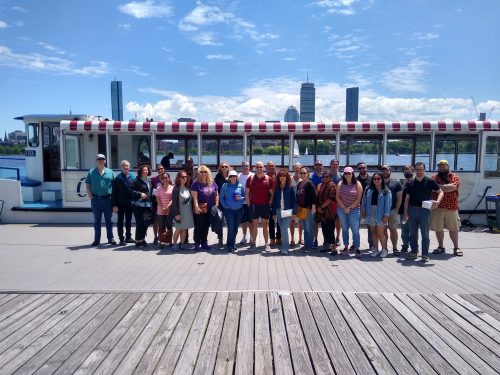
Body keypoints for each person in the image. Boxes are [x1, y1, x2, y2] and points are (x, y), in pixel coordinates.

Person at [403, 162, 444, 262]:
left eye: (421, 169)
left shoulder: (430, 181)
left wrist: (438, 201)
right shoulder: (410, 183)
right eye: (417, 169)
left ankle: (425, 254)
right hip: (412, 210)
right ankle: (414, 252)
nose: (419, 171)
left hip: (425, 211)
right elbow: (407, 199)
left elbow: (441, 192)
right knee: (413, 233)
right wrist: (405, 212)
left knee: (425, 233)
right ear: (414, 171)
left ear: (424, 170)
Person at [431, 160, 463, 256]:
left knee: (453, 228)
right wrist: (447, 187)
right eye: (440, 166)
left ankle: (456, 247)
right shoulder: (434, 177)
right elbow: (432, 188)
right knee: (438, 228)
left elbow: (454, 187)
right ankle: (441, 247)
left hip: (452, 206)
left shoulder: (455, 176)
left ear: (448, 166)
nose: (441, 168)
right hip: (438, 206)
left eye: (443, 166)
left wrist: (439, 187)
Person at [86, 154, 116, 246]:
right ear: (96, 161)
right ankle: (97, 240)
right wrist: (91, 196)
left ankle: (110, 238)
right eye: (99, 159)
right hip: (96, 200)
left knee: (109, 221)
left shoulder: (110, 172)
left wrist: (113, 200)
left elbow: (114, 186)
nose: (101, 160)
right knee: (97, 221)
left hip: (107, 200)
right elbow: (88, 184)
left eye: (102, 159)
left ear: (105, 161)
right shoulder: (91, 172)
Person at [361, 172, 392, 258]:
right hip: (370, 212)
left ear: (382, 180)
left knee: (380, 233)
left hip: (381, 214)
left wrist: (386, 215)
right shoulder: (368, 188)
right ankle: (375, 249)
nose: (376, 180)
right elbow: (364, 200)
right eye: (374, 179)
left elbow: (388, 204)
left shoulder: (386, 191)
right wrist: (363, 210)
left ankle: (384, 249)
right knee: (373, 232)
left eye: (378, 178)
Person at [245, 161, 274, 251]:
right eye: (257, 167)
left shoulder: (268, 178)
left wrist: (269, 202)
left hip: (265, 206)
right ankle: (253, 244)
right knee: (255, 225)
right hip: (254, 206)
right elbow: (247, 193)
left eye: (261, 167)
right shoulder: (251, 178)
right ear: (254, 168)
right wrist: (249, 204)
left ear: (264, 168)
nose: (259, 169)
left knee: (265, 225)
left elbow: (272, 193)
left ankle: (266, 244)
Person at [336, 166, 363, 256]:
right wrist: (344, 207)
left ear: (352, 174)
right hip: (341, 208)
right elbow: (337, 197)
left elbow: (359, 199)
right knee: (344, 228)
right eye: (345, 173)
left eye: (349, 173)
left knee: (355, 229)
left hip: (354, 209)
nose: (347, 175)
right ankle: (346, 247)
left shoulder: (357, 184)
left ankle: (357, 248)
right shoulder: (340, 183)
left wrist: (350, 208)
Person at [191, 165, 219, 251]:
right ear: (198, 173)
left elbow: (217, 195)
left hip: (210, 209)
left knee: (206, 226)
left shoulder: (212, 183)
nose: (203, 173)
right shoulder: (196, 183)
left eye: (205, 172)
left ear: (208, 173)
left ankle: (204, 243)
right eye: (201, 172)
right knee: (199, 226)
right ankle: (197, 243)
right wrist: (196, 207)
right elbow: (194, 197)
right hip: (200, 208)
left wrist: (216, 206)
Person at [271, 168, 296, 255]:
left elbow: (294, 201)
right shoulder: (277, 188)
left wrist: (294, 213)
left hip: (287, 211)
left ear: (287, 177)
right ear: (278, 177)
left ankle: (285, 248)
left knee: (284, 228)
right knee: (282, 229)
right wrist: (274, 213)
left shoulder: (290, 187)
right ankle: (283, 246)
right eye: (280, 175)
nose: (282, 177)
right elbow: (274, 201)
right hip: (278, 210)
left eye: (284, 175)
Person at [220, 170, 245, 252]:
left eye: (234, 176)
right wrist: (225, 206)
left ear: (236, 177)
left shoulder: (240, 186)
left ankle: (232, 243)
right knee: (231, 228)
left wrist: (240, 198)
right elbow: (221, 198)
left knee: (235, 228)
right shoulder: (225, 185)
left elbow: (244, 197)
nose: (233, 178)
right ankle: (229, 245)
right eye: (231, 176)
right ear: (229, 178)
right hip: (229, 210)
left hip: (239, 210)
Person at [112, 160, 134, 246]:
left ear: (129, 167)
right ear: (122, 167)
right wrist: (114, 205)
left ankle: (128, 237)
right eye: (124, 166)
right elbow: (114, 193)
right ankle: (121, 239)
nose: (126, 167)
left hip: (129, 203)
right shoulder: (118, 178)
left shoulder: (132, 177)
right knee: (120, 221)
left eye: (127, 166)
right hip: (120, 204)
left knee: (129, 221)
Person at [381, 165, 403, 255]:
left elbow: (399, 198)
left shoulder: (396, 183)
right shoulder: (378, 181)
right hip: (381, 211)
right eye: (383, 171)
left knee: (393, 229)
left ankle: (395, 248)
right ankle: (384, 248)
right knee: (383, 230)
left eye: (387, 170)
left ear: (390, 171)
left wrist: (396, 210)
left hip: (392, 210)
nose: (385, 172)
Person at [130, 164, 153, 247]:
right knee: (139, 223)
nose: (145, 171)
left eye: (147, 170)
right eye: (144, 170)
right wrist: (140, 194)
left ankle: (143, 239)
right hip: (138, 205)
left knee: (146, 223)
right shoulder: (136, 180)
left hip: (147, 206)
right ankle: (138, 240)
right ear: (140, 171)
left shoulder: (149, 181)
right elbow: (131, 191)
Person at [171, 171, 194, 251]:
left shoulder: (187, 187)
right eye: (182, 177)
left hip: (187, 212)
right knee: (178, 228)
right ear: (178, 178)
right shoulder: (176, 189)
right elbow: (174, 202)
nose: (185, 178)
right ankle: (174, 244)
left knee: (184, 228)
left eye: (186, 177)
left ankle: (182, 244)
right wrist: (176, 214)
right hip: (179, 212)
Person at [296, 167, 317, 252]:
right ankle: (305, 245)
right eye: (301, 173)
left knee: (309, 228)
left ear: (308, 174)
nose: (302, 174)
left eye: (304, 173)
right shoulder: (299, 184)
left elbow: (314, 197)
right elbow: (298, 196)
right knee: (305, 228)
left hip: (308, 209)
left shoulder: (310, 184)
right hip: (301, 209)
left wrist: (313, 208)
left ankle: (309, 246)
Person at [316, 171, 337, 255]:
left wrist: (321, 207)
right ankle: (327, 246)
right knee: (324, 229)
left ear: (330, 178)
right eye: (323, 176)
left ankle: (334, 248)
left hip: (329, 211)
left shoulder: (332, 186)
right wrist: (318, 207)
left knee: (330, 229)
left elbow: (330, 199)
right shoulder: (321, 185)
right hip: (322, 212)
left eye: (327, 176)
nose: (325, 178)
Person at [154, 172, 174, 248]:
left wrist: (168, 207)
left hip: (169, 210)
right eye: (163, 178)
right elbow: (158, 199)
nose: (165, 179)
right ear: (161, 180)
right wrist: (163, 208)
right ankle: (161, 241)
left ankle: (169, 241)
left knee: (169, 226)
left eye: (166, 178)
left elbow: (173, 199)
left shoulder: (173, 188)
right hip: (160, 211)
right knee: (161, 226)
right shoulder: (158, 188)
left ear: (169, 179)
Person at [357, 161, 372, 250]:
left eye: (363, 168)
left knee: (370, 226)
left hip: (369, 206)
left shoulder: (372, 180)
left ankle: (372, 244)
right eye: (360, 168)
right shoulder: (355, 180)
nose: (362, 169)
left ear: (366, 168)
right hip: (357, 205)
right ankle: (356, 244)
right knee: (356, 226)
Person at [399, 165, 415, 253]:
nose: (407, 173)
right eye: (405, 171)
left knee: (413, 229)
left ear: (413, 172)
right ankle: (405, 245)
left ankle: (414, 245)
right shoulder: (401, 183)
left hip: (413, 209)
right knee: (404, 229)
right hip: (402, 210)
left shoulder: (416, 182)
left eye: (408, 171)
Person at [214, 162, 230, 247]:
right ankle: (220, 238)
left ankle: (230, 239)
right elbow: (216, 190)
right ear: (220, 168)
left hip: (229, 202)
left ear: (228, 167)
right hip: (220, 202)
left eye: (226, 166)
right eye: (222, 166)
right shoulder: (217, 177)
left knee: (230, 222)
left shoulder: (231, 176)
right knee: (220, 221)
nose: (224, 168)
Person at [238, 161, 254, 245]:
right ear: (241, 167)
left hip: (251, 202)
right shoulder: (238, 176)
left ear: (249, 167)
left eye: (247, 166)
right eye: (243, 166)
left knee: (251, 220)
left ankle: (252, 236)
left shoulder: (253, 175)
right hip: (241, 202)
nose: (245, 167)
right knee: (243, 221)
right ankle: (244, 236)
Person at [266, 160, 281, 247]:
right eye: (269, 166)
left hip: (279, 201)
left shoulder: (279, 175)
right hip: (270, 202)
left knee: (279, 220)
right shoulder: (265, 176)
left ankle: (279, 237)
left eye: (272, 165)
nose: (271, 167)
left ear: (275, 166)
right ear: (267, 167)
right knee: (271, 221)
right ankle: (272, 238)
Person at [310, 160, 324, 248]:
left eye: (320, 165)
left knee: (325, 223)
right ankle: (315, 240)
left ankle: (327, 241)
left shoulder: (326, 176)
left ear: (322, 166)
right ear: (314, 166)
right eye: (316, 165)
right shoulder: (311, 177)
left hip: (325, 204)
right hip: (315, 203)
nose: (318, 167)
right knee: (315, 223)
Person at [329, 159, 342, 246]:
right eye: (333, 164)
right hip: (329, 201)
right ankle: (330, 238)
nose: (334, 165)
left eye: (336, 164)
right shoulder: (327, 174)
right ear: (330, 165)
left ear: (338, 165)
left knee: (338, 221)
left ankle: (338, 237)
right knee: (329, 221)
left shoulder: (341, 176)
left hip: (338, 201)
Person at [151, 164, 165, 245]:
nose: (160, 170)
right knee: (155, 221)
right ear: (156, 170)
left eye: (161, 168)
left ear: (164, 169)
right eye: (158, 169)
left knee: (164, 222)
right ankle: (155, 237)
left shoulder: (168, 179)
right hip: (155, 203)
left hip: (165, 203)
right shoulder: (153, 179)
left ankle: (162, 237)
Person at [290, 162, 303, 246]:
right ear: (293, 168)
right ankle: (292, 238)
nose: (297, 169)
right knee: (292, 221)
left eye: (298, 167)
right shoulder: (290, 179)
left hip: (301, 204)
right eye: (295, 167)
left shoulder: (303, 179)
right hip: (291, 204)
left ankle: (300, 238)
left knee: (301, 221)